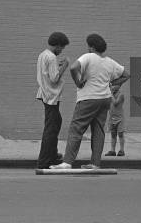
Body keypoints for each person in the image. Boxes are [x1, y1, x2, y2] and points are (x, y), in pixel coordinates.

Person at [51, 33, 130, 169]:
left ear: (91, 47)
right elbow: (126, 75)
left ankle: (67, 162)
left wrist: (78, 82)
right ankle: (95, 163)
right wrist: (113, 84)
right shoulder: (110, 62)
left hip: (88, 98)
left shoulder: (88, 57)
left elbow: (73, 67)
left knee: (76, 129)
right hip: (105, 99)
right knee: (98, 130)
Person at [36, 32, 70, 169]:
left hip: (45, 94)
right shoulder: (51, 57)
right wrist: (65, 65)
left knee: (56, 122)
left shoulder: (43, 55)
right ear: (57, 45)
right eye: (61, 48)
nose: (61, 50)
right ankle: (44, 160)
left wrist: (58, 65)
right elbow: (55, 78)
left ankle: (53, 155)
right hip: (51, 96)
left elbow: (48, 72)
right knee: (50, 129)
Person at [104, 85, 126, 157]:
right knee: (113, 135)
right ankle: (112, 151)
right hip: (112, 118)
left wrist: (110, 94)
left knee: (120, 134)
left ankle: (121, 150)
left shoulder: (121, 94)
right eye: (111, 86)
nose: (112, 87)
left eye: (114, 85)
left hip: (120, 119)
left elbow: (115, 103)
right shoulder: (110, 95)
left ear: (118, 86)